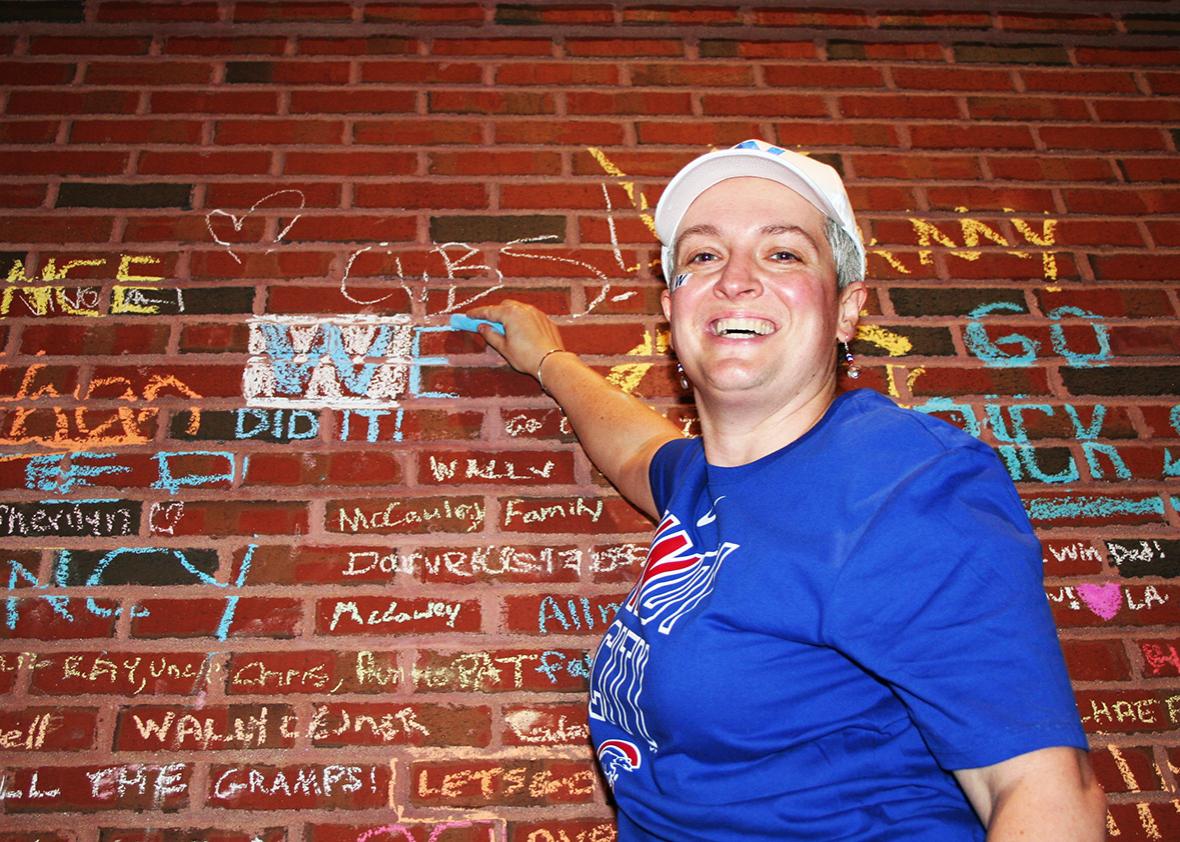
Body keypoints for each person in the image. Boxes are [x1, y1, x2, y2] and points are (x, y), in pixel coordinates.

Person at [468, 139, 1105, 840]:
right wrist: (549, 360)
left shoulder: (904, 484)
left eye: (783, 253)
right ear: (672, 310)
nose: (735, 279)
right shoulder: (705, 484)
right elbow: (635, 449)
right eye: (703, 256)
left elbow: (1046, 793)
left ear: (847, 310)